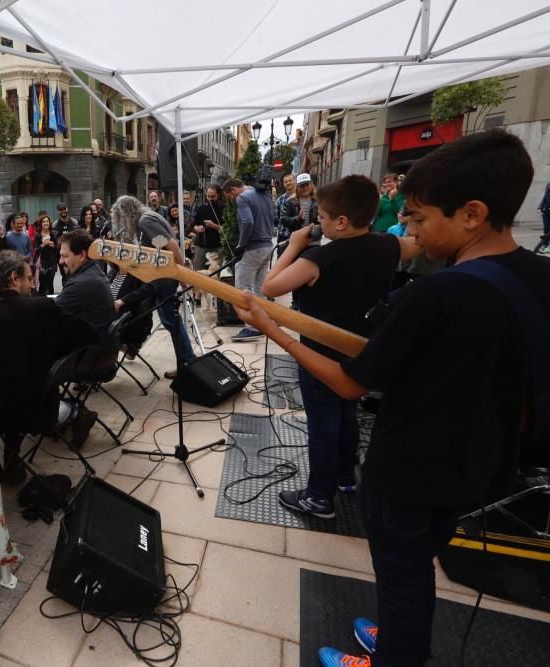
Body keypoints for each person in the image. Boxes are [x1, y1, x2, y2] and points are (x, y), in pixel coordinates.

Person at [233, 130, 550, 667]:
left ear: (472, 213)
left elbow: (351, 382)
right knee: (415, 567)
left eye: (421, 218)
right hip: (483, 465)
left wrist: (276, 332)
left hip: (410, 471)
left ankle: (397, 652)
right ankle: (400, 632)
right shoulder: (540, 276)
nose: (412, 231)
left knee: (403, 577)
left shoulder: (435, 294)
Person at [259, 175, 421, 521]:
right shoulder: (385, 246)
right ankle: (346, 477)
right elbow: (415, 246)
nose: (318, 225)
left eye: (322, 219)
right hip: (360, 348)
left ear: (342, 222)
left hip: (319, 354)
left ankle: (319, 497)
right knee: (347, 414)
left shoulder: (320, 258)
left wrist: (293, 244)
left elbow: (270, 286)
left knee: (323, 425)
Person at [0, 251, 99, 482]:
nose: (32, 282)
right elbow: (87, 334)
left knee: (10, 379)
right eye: (28, 278)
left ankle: (7, 457)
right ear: (14, 278)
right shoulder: (41, 308)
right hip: (38, 407)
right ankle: (76, 413)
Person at [110, 195, 196, 379]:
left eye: (121, 218)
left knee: (171, 322)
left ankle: (188, 362)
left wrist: (181, 277)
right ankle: (186, 362)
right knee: (171, 321)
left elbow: (171, 245)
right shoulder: (149, 217)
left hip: (165, 279)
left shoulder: (145, 221)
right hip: (163, 277)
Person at [223, 178, 275, 341]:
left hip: (253, 247)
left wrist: (241, 245)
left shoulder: (242, 197)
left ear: (233, 190)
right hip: (267, 245)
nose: (232, 200)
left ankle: (252, 328)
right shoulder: (263, 194)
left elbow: (247, 222)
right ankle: (261, 324)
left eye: (229, 196)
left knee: (242, 288)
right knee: (259, 289)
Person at [54, 230, 116, 333]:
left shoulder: (83, 283)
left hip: (87, 346)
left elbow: (48, 313)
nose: (60, 261)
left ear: (82, 255)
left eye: (65, 256)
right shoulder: (92, 271)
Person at [192, 185, 224, 270]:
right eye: (208, 196)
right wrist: (197, 228)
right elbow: (194, 224)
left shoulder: (223, 208)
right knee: (198, 270)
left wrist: (213, 226)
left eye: (213, 196)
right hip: (202, 245)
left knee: (215, 271)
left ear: (219, 195)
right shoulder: (201, 208)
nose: (210, 199)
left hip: (217, 246)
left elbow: (226, 230)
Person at [34, 215, 59, 295]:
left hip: (52, 262)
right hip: (41, 263)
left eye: (47, 221)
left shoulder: (53, 234)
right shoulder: (37, 235)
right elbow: (36, 250)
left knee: (50, 284)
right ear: (41, 224)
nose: (45, 223)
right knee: (43, 285)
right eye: (43, 222)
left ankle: (51, 301)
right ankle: (41, 302)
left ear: (49, 223)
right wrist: (42, 245)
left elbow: (58, 249)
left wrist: (54, 246)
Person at [537, 181, 550, 253]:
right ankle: (545, 245)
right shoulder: (548, 184)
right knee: (546, 229)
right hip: (546, 210)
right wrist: (540, 207)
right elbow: (545, 197)